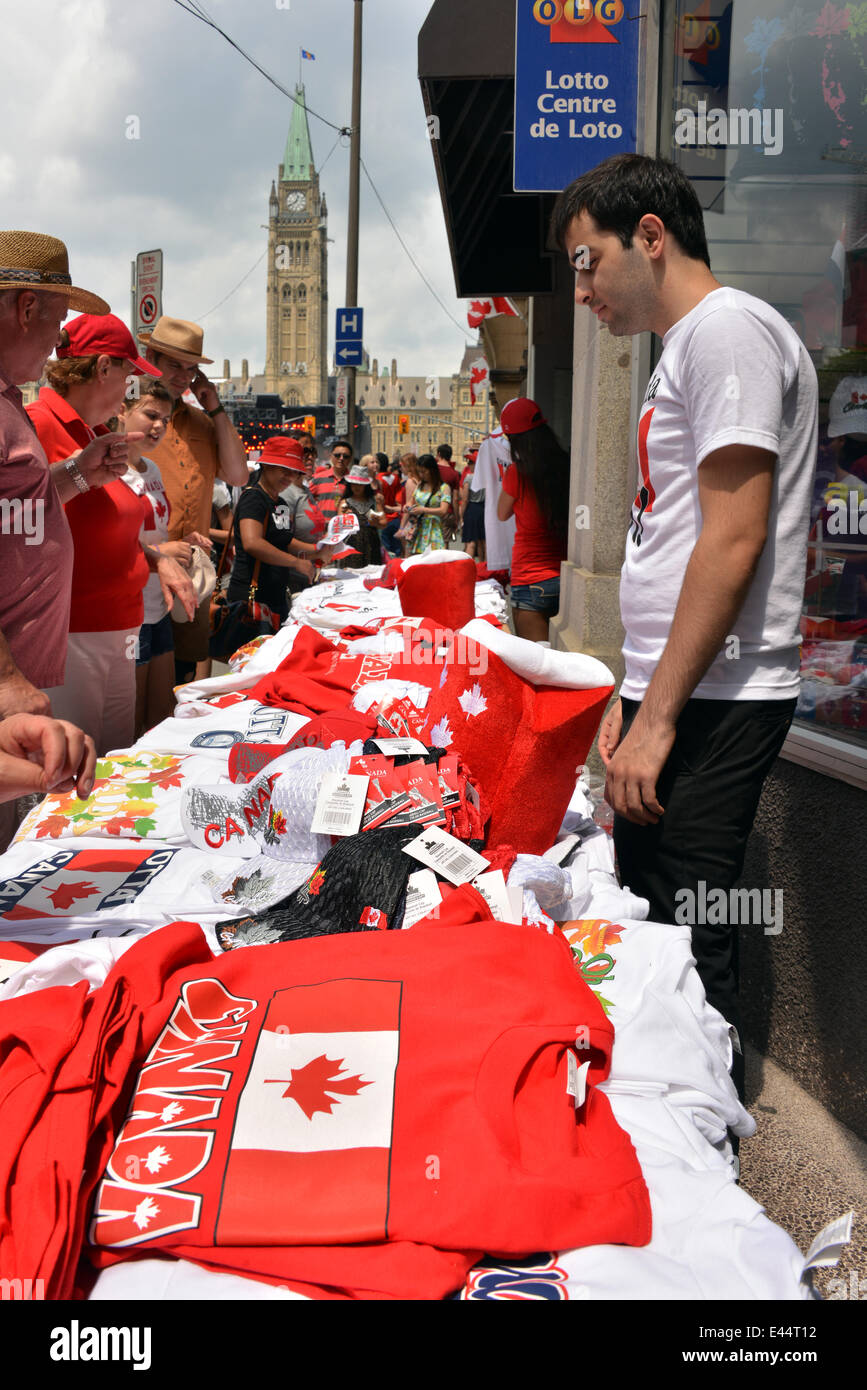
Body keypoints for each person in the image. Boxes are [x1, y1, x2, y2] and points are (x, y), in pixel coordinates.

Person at [551, 153, 818, 1082]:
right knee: (653, 922)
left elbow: (732, 539)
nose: (580, 290)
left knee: (689, 939)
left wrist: (659, 717)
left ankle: (707, 1157)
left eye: (587, 262)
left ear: (651, 238)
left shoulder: (728, 332)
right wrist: (635, 690)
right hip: (677, 686)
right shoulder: (689, 347)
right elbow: (666, 536)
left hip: (718, 693)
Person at [27, 313, 194, 754]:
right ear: (103, 368)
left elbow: (111, 529)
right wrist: (79, 474)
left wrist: (159, 561)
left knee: (110, 764)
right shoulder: (39, 424)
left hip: (118, 627)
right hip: (73, 632)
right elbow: (20, 513)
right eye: (129, 375)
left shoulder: (93, 431)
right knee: (69, 776)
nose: (129, 389)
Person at [0, 233, 139, 720]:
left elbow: (14, 509)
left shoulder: (10, 400)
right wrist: (5, 678)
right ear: (26, 309)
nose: (59, 345)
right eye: (58, 324)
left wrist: (79, 473)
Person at [140, 316, 248, 684]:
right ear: (149, 356)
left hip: (191, 573)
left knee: (182, 677)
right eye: (174, 365)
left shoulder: (204, 423)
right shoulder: (130, 418)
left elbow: (238, 475)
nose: (184, 376)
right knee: (138, 682)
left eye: (191, 369)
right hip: (144, 567)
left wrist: (215, 407)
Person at [119, 382, 208, 736]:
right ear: (121, 411)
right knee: (131, 716)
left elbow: (153, 535)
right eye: (151, 415)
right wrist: (162, 553)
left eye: (165, 419)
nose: (159, 426)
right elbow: (104, 543)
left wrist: (182, 543)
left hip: (158, 603)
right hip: (130, 610)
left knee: (160, 713)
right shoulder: (110, 471)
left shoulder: (152, 471)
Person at [227, 436, 320, 627]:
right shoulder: (254, 498)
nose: (289, 476)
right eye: (284, 470)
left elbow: (284, 540)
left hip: (275, 596)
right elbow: (253, 543)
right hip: (251, 597)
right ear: (267, 466)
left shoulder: (281, 503)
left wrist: (317, 550)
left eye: (294, 472)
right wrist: (296, 563)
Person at [496, 398, 569, 642]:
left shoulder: (518, 472)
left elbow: (501, 513)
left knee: (538, 665)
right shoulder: (566, 465)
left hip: (530, 577)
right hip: (564, 575)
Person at [338, 462, 386, 568]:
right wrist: (345, 519)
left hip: (371, 544)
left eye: (360, 484)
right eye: (354, 484)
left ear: (366, 485)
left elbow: (383, 523)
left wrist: (375, 523)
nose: (356, 487)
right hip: (351, 545)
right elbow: (338, 527)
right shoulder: (345, 503)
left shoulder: (374, 501)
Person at [408, 453, 452, 555]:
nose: (421, 475)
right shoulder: (420, 485)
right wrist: (408, 507)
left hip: (434, 529)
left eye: (424, 472)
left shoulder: (444, 488)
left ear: (432, 470)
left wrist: (423, 510)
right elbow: (411, 501)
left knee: (433, 559)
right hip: (419, 528)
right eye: (419, 472)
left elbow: (443, 510)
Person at [308, 438, 353, 524]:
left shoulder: (353, 482)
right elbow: (306, 501)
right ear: (331, 456)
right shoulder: (318, 479)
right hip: (321, 530)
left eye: (345, 456)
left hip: (344, 530)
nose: (341, 458)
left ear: (350, 459)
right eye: (337, 455)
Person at [460, 447, 486, 561]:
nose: (468, 465)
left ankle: (468, 567)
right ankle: (484, 564)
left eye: (471, 462)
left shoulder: (469, 478)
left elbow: (465, 499)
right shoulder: (487, 477)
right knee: (482, 541)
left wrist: (461, 515)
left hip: (472, 509)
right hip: (484, 508)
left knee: (471, 541)